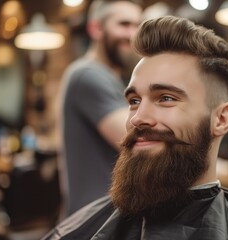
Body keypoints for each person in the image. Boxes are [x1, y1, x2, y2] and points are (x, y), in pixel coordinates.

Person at [46, 16, 228, 239]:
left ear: (221, 120)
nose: (138, 118)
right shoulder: (83, 226)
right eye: (134, 101)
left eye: (166, 98)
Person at [57, 0, 143, 218]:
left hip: (106, 216)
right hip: (93, 222)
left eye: (137, 25)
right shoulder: (88, 75)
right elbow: (135, 140)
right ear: (96, 28)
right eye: (123, 24)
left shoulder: (113, 78)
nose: (132, 34)